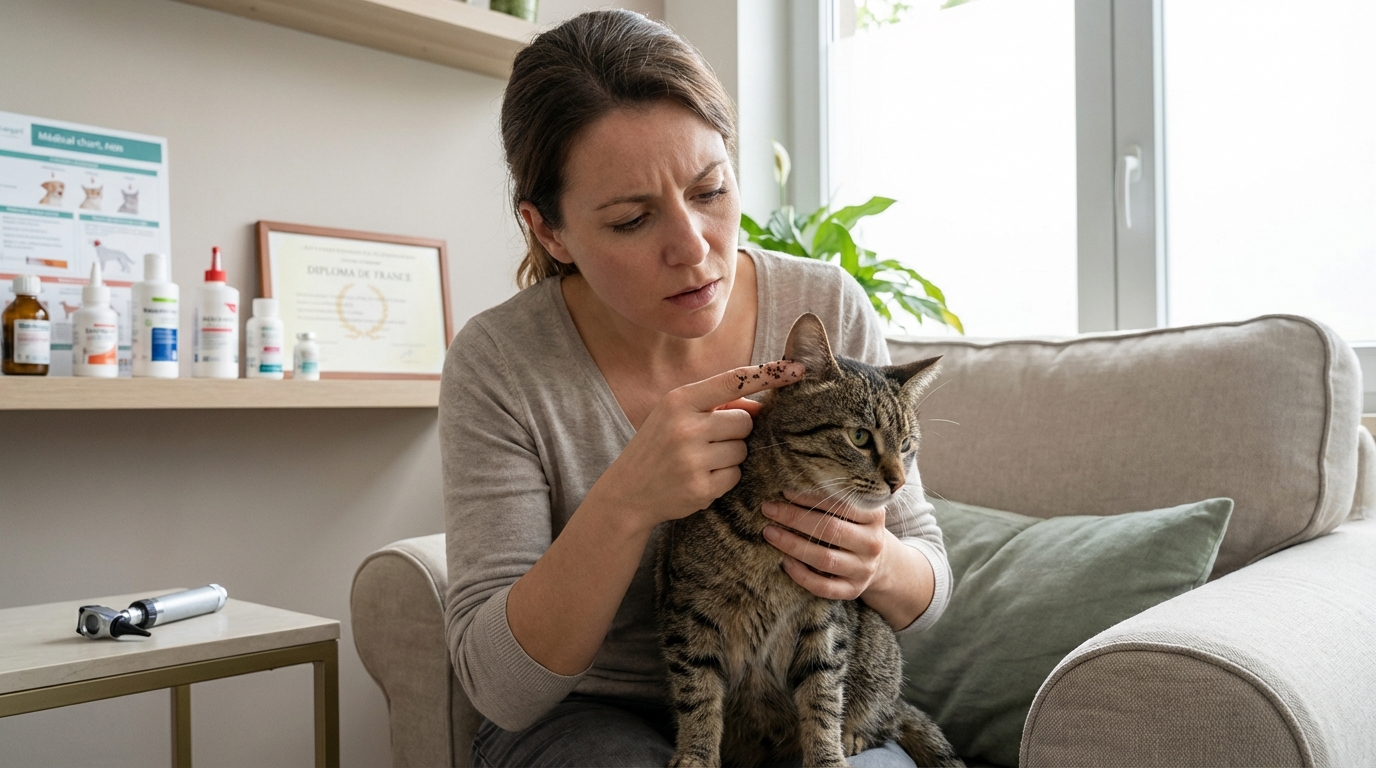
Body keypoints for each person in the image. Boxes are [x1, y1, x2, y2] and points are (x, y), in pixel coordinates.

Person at [440, 10, 952, 767]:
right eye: (631, 220)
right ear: (549, 232)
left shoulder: (827, 304)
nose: (693, 248)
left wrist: (872, 562)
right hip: (594, 711)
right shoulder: (501, 362)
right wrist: (628, 498)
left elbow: (926, 581)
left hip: (801, 692)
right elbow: (501, 691)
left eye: (710, 190)